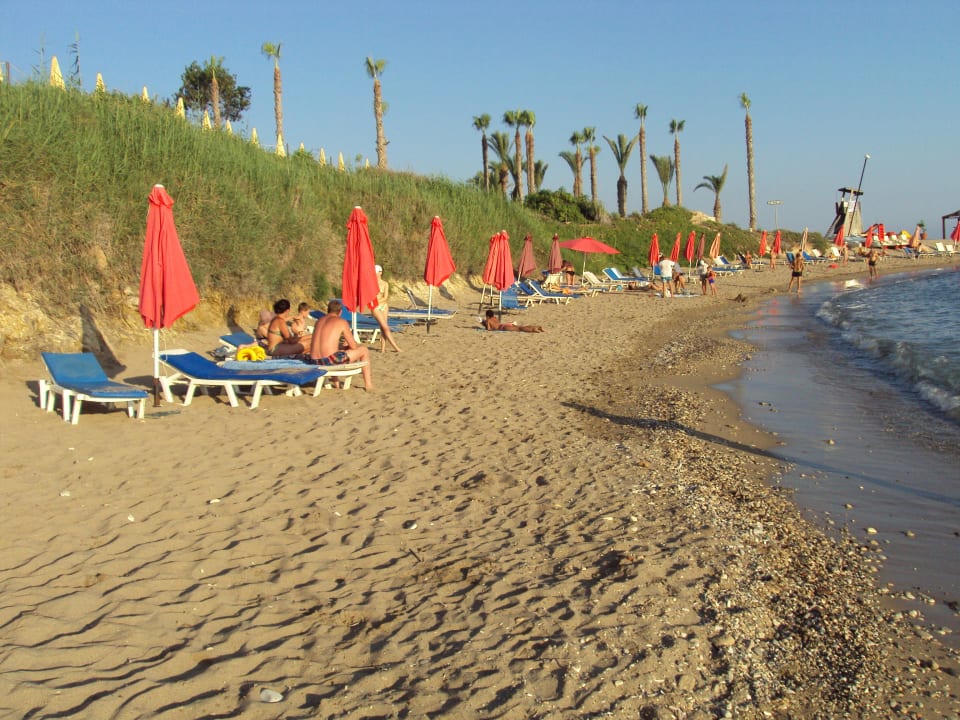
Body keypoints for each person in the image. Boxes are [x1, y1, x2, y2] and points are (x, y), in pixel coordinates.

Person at [308, 300, 374, 390]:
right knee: (363, 350)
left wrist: (341, 347)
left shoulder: (319, 321)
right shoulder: (341, 322)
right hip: (329, 361)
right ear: (340, 312)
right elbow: (354, 346)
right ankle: (368, 385)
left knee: (336, 353)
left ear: (328, 310)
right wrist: (347, 346)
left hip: (314, 360)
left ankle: (337, 384)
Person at [372, 264, 402, 353]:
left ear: (380, 273)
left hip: (384, 306)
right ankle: (396, 347)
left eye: (376, 272)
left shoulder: (385, 284)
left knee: (383, 327)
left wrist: (379, 301)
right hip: (375, 307)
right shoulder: (371, 284)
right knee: (385, 327)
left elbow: (385, 297)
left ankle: (383, 349)